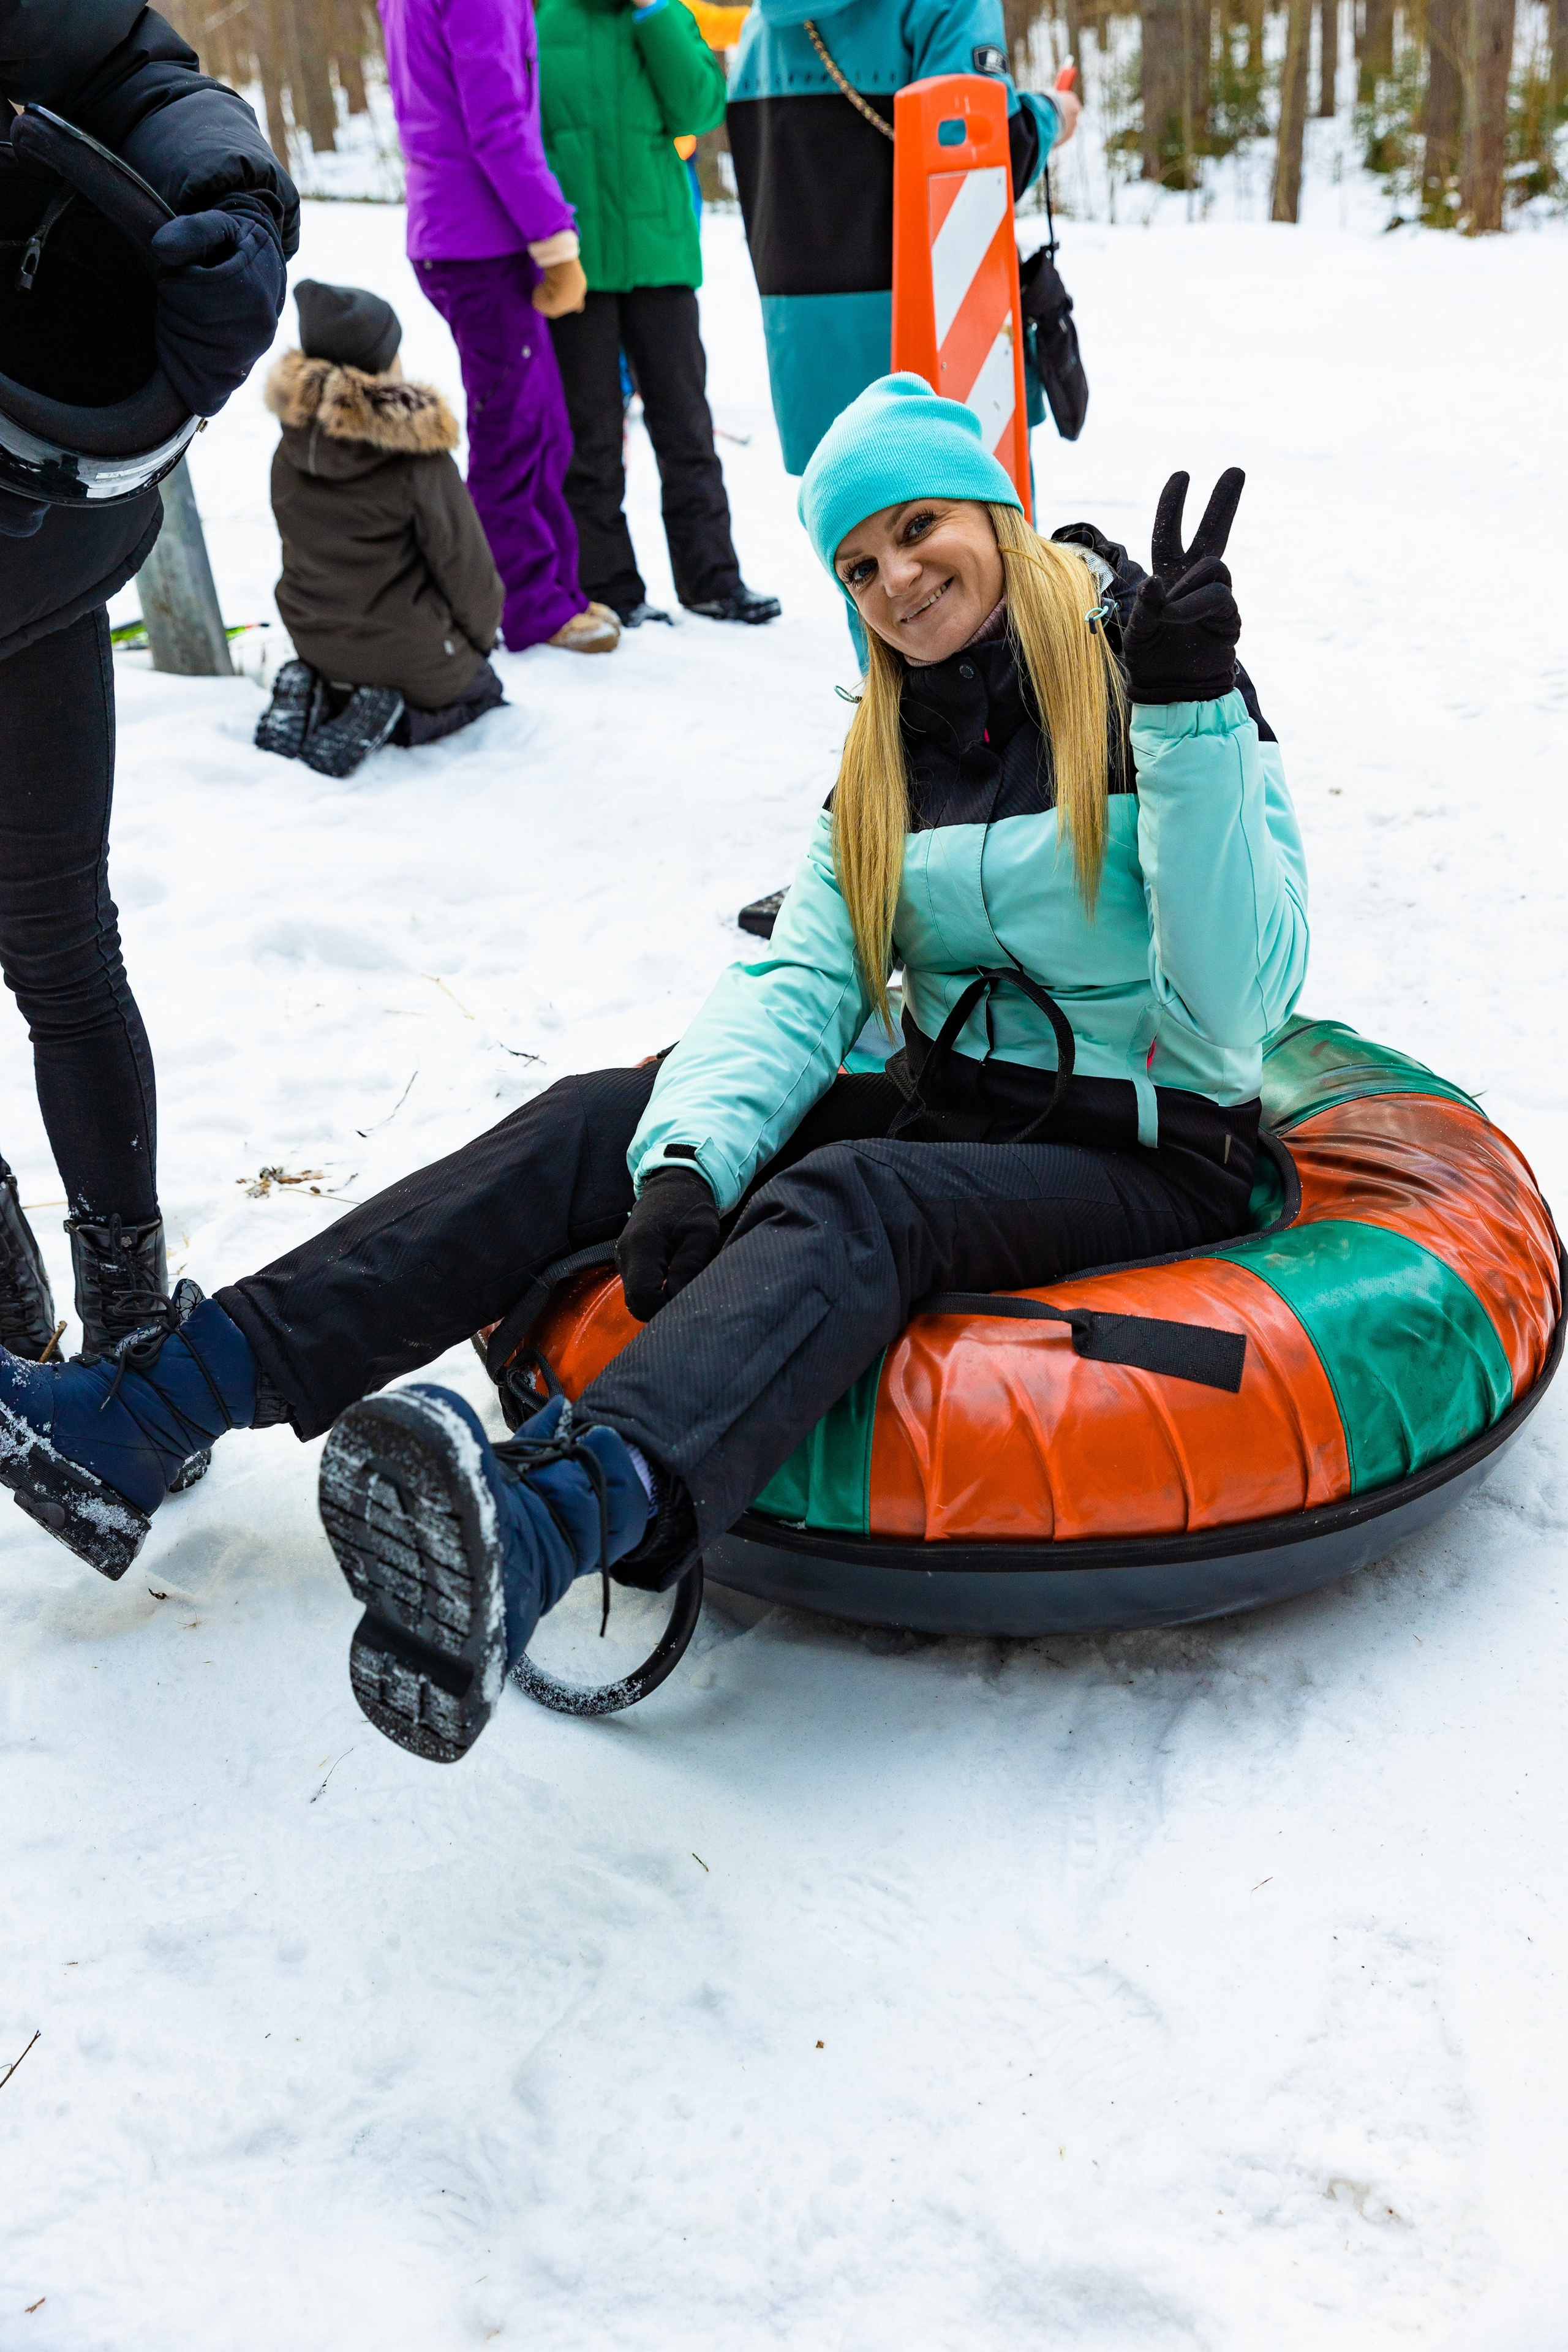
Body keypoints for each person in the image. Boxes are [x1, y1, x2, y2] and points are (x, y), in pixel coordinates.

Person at [0, 376, 1308, 1777]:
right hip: (966, 1109)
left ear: (990, 512)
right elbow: (803, 983)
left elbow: (1240, 1004)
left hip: (1148, 1142)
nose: (894, 580)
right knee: (595, 1124)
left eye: (916, 527)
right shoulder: (890, 745)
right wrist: (686, 1162)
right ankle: (152, 1408)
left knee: (860, 1194)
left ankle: (550, 1522)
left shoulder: (1154, 678)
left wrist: (1188, 723)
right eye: (856, 564)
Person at [0, 3, 296, 1365]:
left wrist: (232, 200)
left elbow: (130, 69)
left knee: (61, 947)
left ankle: (129, 1337)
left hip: (26, 548)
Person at [725, 0, 1080, 478]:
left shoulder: (758, 24)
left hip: (807, 351)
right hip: (944, 350)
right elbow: (983, 161)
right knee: (977, 521)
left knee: (854, 521)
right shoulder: (950, 6)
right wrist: (1051, 114)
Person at [380, 0, 623, 658]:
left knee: (542, 425)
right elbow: (497, 123)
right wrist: (555, 239)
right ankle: (528, 604)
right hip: (480, 237)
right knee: (514, 432)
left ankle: (554, 589)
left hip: (469, 231)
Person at [537, 0, 779, 630]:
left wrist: (655, 13)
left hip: (661, 256)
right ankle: (609, 586)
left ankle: (713, 580)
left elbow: (699, 108)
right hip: (575, 260)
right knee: (589, 437)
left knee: (686, 428)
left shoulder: (667, 14)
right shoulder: (540, 20)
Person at [254, 280, 507, 780]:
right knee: (483, 690)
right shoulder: (415, 458)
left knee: (361, 660)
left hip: (313, 637)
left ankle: (320, 692)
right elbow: (467, 570)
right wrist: (477, 643)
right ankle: (397, 720)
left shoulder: (291, 446)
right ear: (384, 363)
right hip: (408, 650)